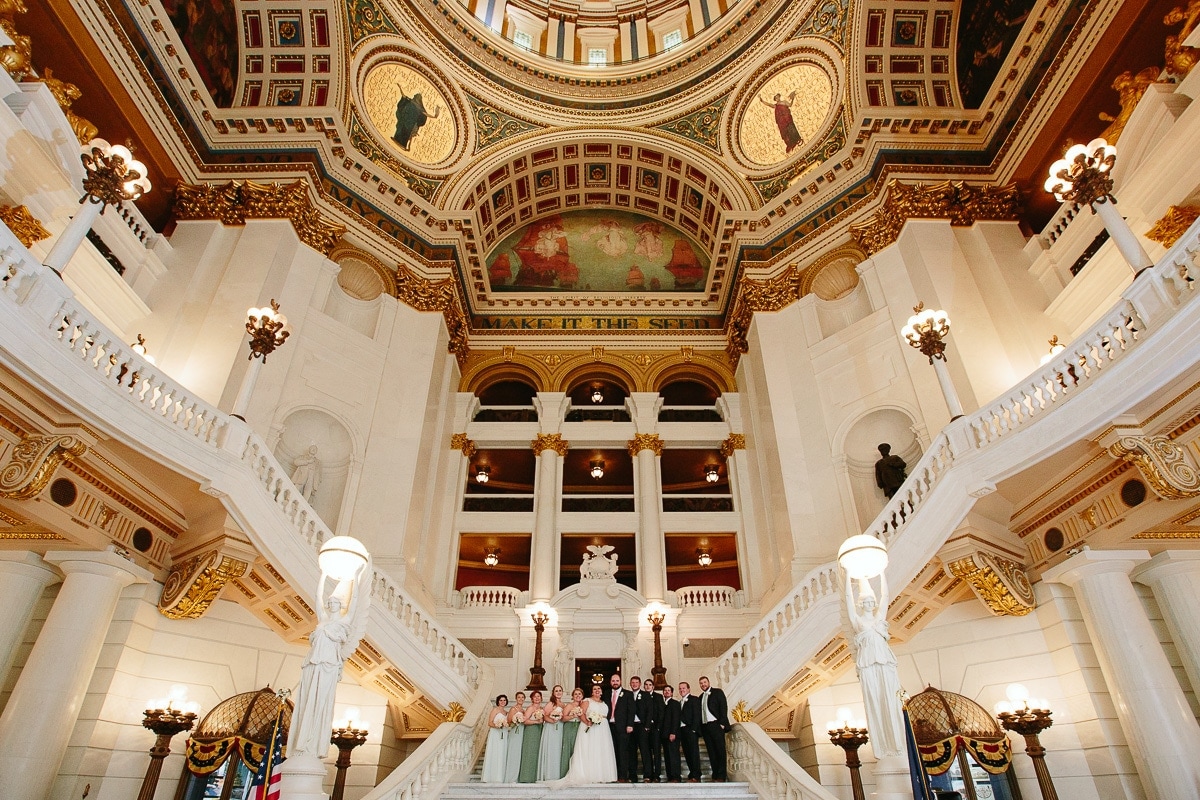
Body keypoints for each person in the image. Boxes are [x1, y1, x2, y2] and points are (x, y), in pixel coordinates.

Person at [846, 570, 906, 757]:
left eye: (872, 601)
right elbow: (848, 599)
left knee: (891, 701)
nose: (870, 604)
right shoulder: (857, 621)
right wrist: (848, 576)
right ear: (860, 604)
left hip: (884, 661)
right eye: (866, 601)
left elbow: (885, 596)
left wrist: (881, 573)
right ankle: (882, 747)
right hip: (867, 664)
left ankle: (898, 744)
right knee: (874, 701)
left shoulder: (879, 618)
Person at [548, 684, 618, 786]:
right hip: (591, 727)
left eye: (599, 689)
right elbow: (581, 713)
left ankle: (602, 774)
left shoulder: (604, 703)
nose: (597, 690)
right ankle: (590, 774)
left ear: (602, 691)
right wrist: (587, 722)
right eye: (594, 689)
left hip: (603, 729)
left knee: (601, 750)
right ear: (592, 692)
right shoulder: (587, 701)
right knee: (590, 749)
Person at [697, 676, 730, 782]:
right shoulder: (700, 697)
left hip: (716, 725)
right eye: (701, 683)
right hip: (706, 727)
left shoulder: (717, 692)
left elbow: (723, 707)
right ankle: (715, 775)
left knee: (720, 751)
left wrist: (722, 723)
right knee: (711, 752)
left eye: (704, 682)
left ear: (709, 682)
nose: (703, 685)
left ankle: (721, 776)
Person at [538, 685, 566, 780]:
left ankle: (557, 773)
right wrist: (552, 720)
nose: (558, 692)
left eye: (560, 691)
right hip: (551, 728)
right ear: (553, 693)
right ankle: (550, 774)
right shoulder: (551, 704)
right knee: (552, 749)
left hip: (560, 728)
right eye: (556, 691)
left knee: (558, 749)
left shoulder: (563, 705)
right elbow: (544, 716)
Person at [605, 674, 630, 782]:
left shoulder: (628, 694)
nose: (615, 682)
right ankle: (612, 775)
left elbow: (631, 710)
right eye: (613, 680)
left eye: (617, 680)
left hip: (623, 727)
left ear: (620, 681)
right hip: (609, 727)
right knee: (611, 751)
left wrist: (630, 725)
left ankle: (622, 776)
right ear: (610, 682)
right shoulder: (606, 694)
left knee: (622, 752)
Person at [481, 695, 510, 783]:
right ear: (498, 701)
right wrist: (498, 725)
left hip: (504, 734)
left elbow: (508, 723)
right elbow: (489, 723)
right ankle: (491, 776)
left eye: (504, 700)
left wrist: (505, 725)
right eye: (501, 700)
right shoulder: (495, 710)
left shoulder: (506, 712)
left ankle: (500, 776)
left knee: (502, 753)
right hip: (495, 734)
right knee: (494, 752)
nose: (502, 702)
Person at [517, 689, 544, 782]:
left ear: (541, 698)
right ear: (532, 699)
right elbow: (525, 720)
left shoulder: (541, 709)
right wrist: (536, 722)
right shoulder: (530, 708)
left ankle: (534, 776)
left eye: (538, 696)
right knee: (529, 752)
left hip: (539, 731)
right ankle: (526, 777)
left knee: (536, 753)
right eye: (535, 696)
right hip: (531, 731)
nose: (537, 698)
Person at [677, 681, 701, 781]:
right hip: (682, 730)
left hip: (690, 730)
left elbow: (697, 715)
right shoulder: (679, 702)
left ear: (688, 689)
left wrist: (694, 730)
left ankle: (696, 775)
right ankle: (692, 773)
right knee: (687, 753)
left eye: (684, 688)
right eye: (680, 689)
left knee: (693, 753)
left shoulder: (694, 699)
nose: (682, 690)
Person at [559, 687, 584, 778]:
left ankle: (577, 772)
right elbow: (563, 718)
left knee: (578, 749)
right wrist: (573, 716)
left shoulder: (583, 705)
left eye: (579, 694)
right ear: (572, 696)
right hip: (570, 727)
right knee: (569, 748)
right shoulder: (570, 705)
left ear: (582, 696)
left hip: (579, 727)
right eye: (575, 694)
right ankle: (566, 773)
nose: (577, 696)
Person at [644, 677, 666, 782]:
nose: (647, 686)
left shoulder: (658, 697)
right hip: (644, 728)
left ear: (653, 686)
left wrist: (658, 727)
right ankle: (648, 774)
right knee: (646, 752)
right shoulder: (642, 696)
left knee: (656, 752)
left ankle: (657, 775)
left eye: (649, 685)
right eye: (646, 685)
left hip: (655, 728)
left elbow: (661, 713)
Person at [660, 684, 682, 782]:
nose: (667, 692)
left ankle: (676, 776)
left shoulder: (675, 703)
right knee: (667, 756)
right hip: (664, 735)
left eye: (669, 690)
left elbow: (676, 719)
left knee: (674, 756)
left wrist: (673, 732)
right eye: (665, 690)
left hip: (672, 735)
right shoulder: (662, 704)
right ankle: (670, 776)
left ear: (672, 693)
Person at [503, 691, 527, 782]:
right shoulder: (513, 709)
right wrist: (516, 721)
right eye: (519, 697)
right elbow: (509, 722)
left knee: (519, 754)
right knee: (513, 753)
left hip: (521, 732)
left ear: (524, 699)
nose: (520, 699)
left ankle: (517, 775)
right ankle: (510, 777)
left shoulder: (523, 710)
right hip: (515, 733)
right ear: (516, 699)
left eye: (522, 697)